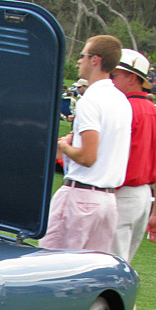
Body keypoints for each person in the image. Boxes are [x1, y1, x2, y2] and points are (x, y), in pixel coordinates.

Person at [108, 49, 156, 310]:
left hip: (120, 195)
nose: (112, 79)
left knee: (112, 271)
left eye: (116, 75)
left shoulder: (124, 110)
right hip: (142, 197)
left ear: (131, 77)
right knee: (123, 268)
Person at [41, 35, 131, 253]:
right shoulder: (121, 100)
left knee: (54, 265)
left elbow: (88, 157)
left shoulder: (91, 100)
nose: (79, 61)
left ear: (95, 60)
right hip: (107, 201)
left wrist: (64, 146)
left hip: (81, 197)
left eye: (83, 56)